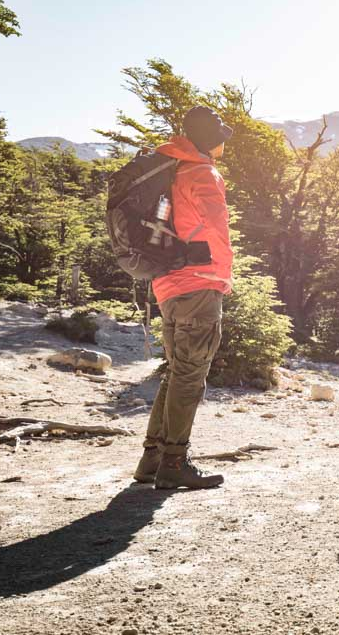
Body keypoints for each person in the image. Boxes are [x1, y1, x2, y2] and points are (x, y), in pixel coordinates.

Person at [133, 106, 235, 490]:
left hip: (168, 283)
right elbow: (217, 227)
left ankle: (152, 459)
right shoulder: (203, 173)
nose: (224, 144)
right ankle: (174, 462)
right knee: (191, 374)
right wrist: (223, 275)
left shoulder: (171, 171)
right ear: (210, 141)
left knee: (177, 370)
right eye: (220, 138)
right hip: (199, 281)